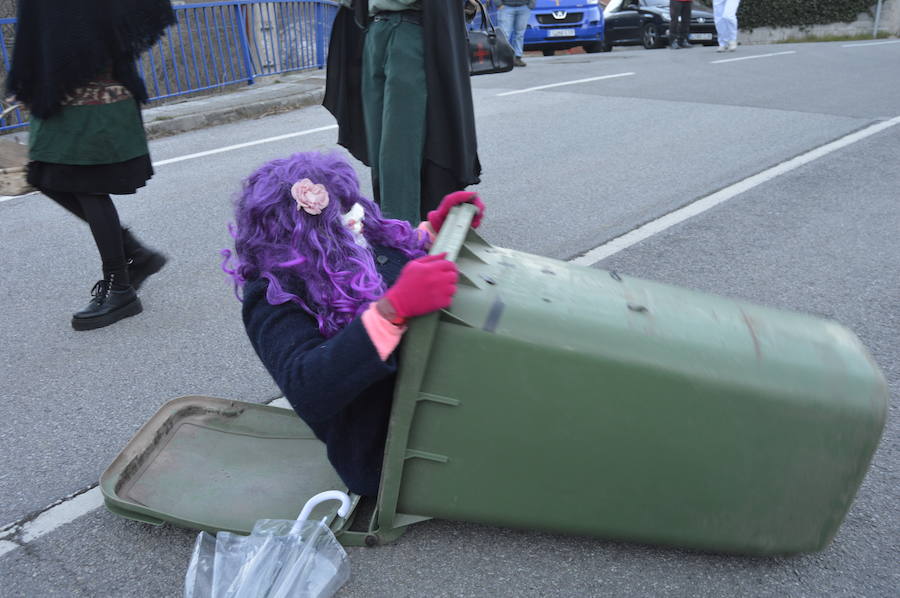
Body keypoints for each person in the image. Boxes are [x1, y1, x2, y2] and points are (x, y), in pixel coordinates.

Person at [223, 151, 485, 496]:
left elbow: (390, 264)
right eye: (339, 213)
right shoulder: (274, 293)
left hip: (436, 393)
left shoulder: (357, 238)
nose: (355, 217)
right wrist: (392, 311)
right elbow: (308, 387)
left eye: (351, 203)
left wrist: (434, 234)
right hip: (387, 445)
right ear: (293, 230)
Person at [5, 0, 172, 330]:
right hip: (56, 90)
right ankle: (135, 255)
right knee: (45, 176)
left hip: (93, 89)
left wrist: (102, 44)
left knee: (87, 185)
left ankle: (120, 287)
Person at [323, 0, 481, 225]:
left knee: (399, 143)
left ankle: (400, 230)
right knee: (380, 143)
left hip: (407, 31)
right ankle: (397, 226)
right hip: (374, 32)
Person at [496, 0, 535, 67]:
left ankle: (517, 58)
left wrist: (532, 4)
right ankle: (503, 58)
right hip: (506, 7)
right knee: (504, 34)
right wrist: (498, 4)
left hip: (524, 7)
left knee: (520, 34)